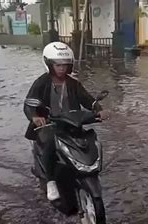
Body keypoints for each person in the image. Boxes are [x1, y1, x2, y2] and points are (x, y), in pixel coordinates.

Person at [23, 42, 109, 201]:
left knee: (89, 139)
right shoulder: (41, 82)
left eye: (65, 65)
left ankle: (87, 171)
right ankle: (51, 182)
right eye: (57, 65)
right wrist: (35, 117)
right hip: (49, 124)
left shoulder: (73, 83)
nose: (61, 68)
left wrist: (99, 110)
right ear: (49, 64)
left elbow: (87, 99)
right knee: (50, 142)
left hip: (71, 122)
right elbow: (29, 104)